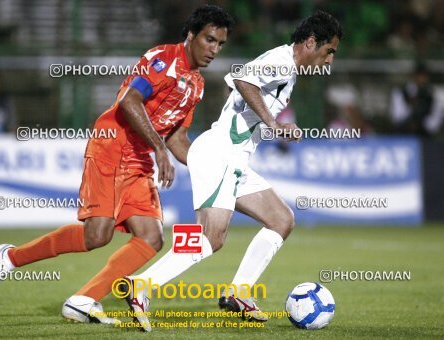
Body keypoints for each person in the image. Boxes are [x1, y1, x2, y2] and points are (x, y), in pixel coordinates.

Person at [0, 4, 233, 325]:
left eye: (220, 44)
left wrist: (207, 167)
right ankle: (9, 258)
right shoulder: (163, 60)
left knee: (151, 238)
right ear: (192, 35)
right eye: (209, 40)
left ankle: (83, 299)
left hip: (138, 160)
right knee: (97, 236)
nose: (214, 49)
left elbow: (177, 139)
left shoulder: (196, 85)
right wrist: (159, 149)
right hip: (112, 146)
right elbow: (128, 100)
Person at [124, 10, 342, 331]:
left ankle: (239, 294)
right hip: (221, 153)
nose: (329, 60)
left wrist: (249, 120)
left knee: (281, 220)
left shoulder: (287, 69)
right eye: (329, 51)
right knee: (211, 238)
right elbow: (242, 78)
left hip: (234, 157)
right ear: (311, 42)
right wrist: (273, 123)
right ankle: (142, 285)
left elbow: (237, 88)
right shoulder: (282, 60)